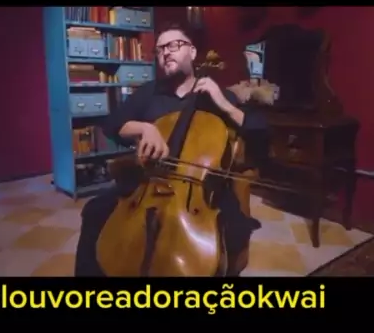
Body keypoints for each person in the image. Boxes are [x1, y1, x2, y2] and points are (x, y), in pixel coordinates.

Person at [74, 22, 269, 277]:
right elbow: (111, 124)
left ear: (192, 52)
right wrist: (144, 128)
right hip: (147, 183)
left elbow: (260, 132)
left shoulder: (214, 96)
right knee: (94, 211)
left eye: (174, 45)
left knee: (234, 232)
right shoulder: (150, 92)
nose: (166, 52)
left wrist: (225, 105)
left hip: (199, 191)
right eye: (160, 49)